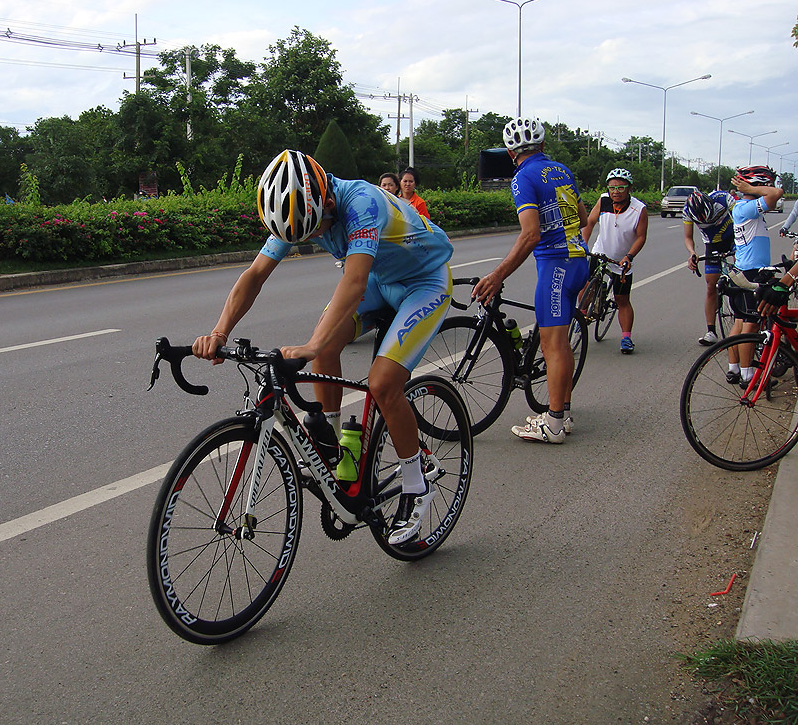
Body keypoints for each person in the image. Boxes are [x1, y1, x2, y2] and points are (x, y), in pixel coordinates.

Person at [193, 150, 454, 544]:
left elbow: (354, 281)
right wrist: (220, 331)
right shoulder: (298, 210)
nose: (313, 238)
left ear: (327, 202)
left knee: (383, 383)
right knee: (328, 347)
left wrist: (313, 345)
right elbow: (255, 274)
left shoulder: (362, 202)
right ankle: (334, 446)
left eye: (314, 230)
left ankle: (417, 485)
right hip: (381, 280)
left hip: (424, 282)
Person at [473, 118, 589, 443]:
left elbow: (530, 234)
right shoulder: (562, 170)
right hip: (578, 260)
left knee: (552, 345)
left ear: (511, 153)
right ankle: (562, 414)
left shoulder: (522, 177)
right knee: (561, 342)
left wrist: (498, 275)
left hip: (555, 266)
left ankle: (553, 425)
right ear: (543, 146)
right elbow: (582, 218)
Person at [725, 165, 784, 385]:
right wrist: (750, 189)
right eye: (765, 185)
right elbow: (777, 194)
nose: (768, 188)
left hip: (745, 268)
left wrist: (751, 189)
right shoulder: (746, 207)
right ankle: (747, 374)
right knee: (750, 324)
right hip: (752, 271)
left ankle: (734, 369)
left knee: (740, 321)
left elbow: (773, 198)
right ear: (757, 185)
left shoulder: (744, 207)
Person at [580, 168, 649, 355]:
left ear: (629, 188)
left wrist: (629, 256)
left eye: (620, 188)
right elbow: (589, 222)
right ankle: (582, 315)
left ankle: (626, 338)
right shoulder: (604, 201)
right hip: (600, 253)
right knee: (585, 286)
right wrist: (583, 245)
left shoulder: (639, 209)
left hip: (622, 261)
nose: (615, 192)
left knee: (622, 300)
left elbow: (641, 237)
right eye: (612, 188)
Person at [682, 190, 735, 345]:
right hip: (713, 244)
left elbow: (742, 220)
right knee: (711, 286)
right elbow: (688, 237)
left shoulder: (723, 199)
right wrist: (692, 253)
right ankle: (711, 331)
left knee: (741, 277)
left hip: (734, 239)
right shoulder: (687, 212)